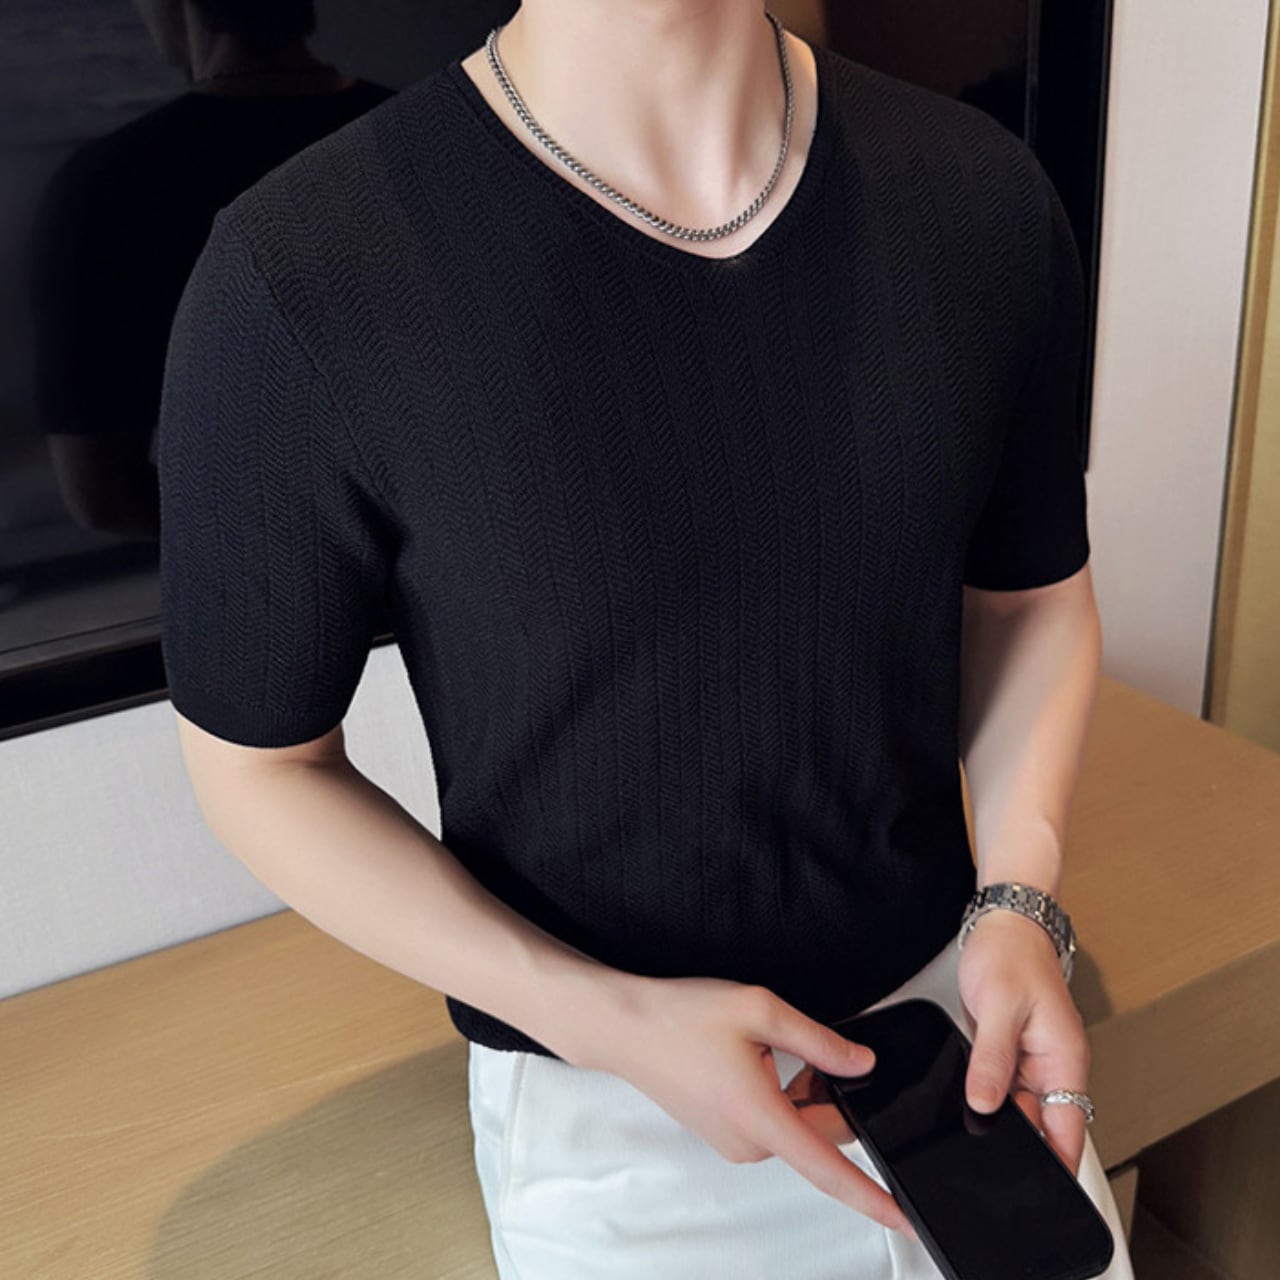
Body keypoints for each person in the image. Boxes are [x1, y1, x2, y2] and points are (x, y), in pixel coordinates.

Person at [155, 2, 1137, 1276]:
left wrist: (1017, 899)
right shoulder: (301, 273)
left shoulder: (977, 195)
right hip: (611, 1102)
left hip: (954, 1040)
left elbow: (1027, 597)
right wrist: (604, 1017)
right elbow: (259, 765)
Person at [25, 0, 392, 540]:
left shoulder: (108, 187)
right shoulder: (419, 141)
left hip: (265, 576)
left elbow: (104, 496)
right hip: (460, 562)